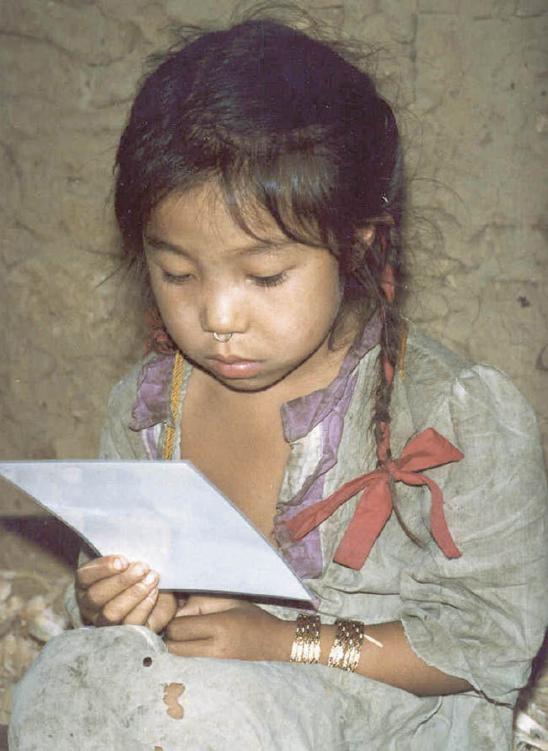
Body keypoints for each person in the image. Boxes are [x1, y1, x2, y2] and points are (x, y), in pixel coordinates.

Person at [8, 12, 548, 751]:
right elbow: (114, 604)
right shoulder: (149, 410)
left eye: (265, 276)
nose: (219, 315)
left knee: (208, 713)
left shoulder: (451, 416)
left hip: (382, 719)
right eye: (177, 273)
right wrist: (111, 604)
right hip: (195, 704)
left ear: (356, 242)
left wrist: (283, 640)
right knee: (64, 685)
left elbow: (487, 640)